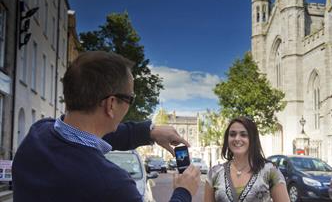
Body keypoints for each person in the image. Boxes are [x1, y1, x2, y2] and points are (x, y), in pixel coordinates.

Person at [12, 51, 200, 202]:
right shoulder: (113, 186)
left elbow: (85, 136)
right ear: (111, 104)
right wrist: (183, 192)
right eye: (130, 99)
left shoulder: (37, 134)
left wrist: (149, 132)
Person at [204, 116, 290, 202]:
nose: (237, 138)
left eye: (243, 135)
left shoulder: (270, 171)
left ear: (252, 139)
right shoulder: (214, 174)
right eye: (232, 134)